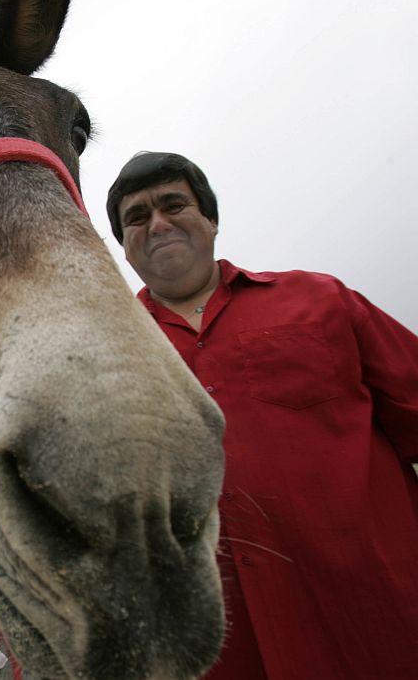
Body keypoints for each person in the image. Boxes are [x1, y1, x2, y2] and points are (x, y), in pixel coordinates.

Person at [105, 151, 418, 679]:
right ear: (126, 247)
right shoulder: (101, 355)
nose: (157, 224)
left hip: (377, 620)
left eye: (173, 204)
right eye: (137, 217)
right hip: (213, 648)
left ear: (211, 220)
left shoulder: (321, 300)